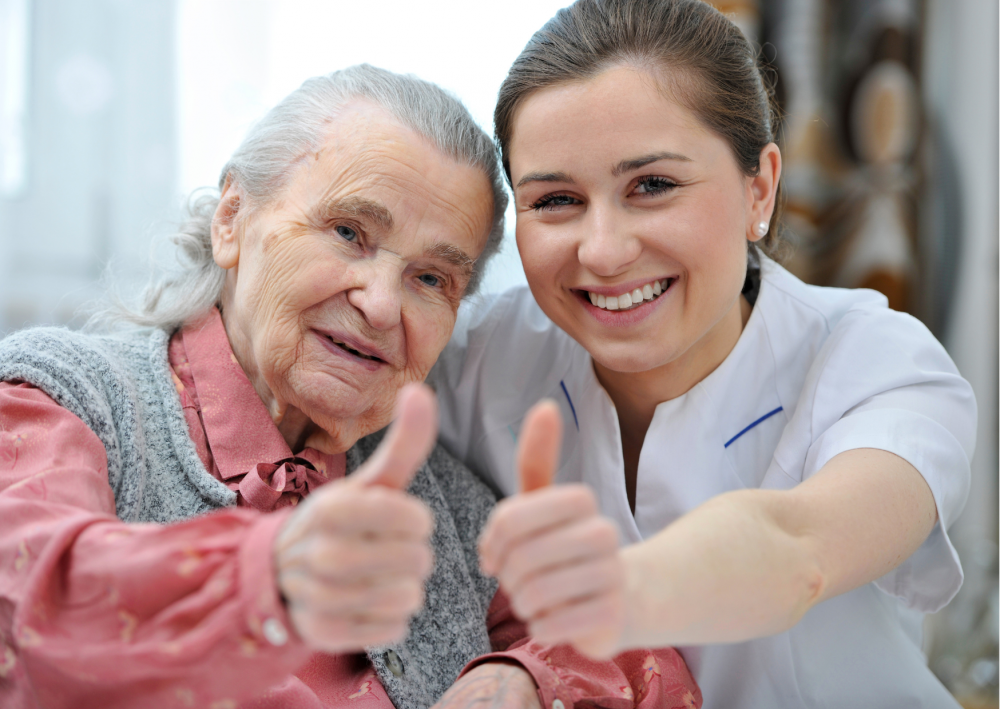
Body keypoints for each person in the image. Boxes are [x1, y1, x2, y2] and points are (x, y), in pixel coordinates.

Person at [0, 65, 700, 708]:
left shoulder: (439, 501)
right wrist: (272, 576)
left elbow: (645, 658)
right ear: (232, 220)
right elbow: (29, 609)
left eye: (432, 278)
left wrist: (521, 678)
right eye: (348, 231)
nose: (381, 303)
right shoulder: (63, 400)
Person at [428, 2, 976, 707]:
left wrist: (582, 626)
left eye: (652, 186)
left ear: (761, 188)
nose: (602, 250)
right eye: (556, 199)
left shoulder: (877, 363)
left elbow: (799, 549)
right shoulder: (480, 356)